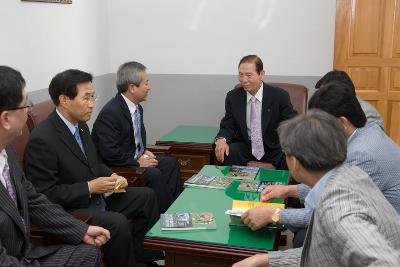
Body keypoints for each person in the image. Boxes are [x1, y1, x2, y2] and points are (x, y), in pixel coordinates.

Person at [23, 69, 160, 266]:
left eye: (93, 96)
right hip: (73, 209)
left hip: (96, 198)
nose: (92, 104)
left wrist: (112, 175)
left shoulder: (81, 125)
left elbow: (94, 163)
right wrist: (89, 187)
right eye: (86, 98)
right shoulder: (43, 139)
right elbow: (45, 194)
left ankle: (144, 259)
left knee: (146, 196)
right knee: (118, 223)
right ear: (64, 100)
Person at [242, 81, 400, 248]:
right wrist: (289, 190)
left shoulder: (360, 155)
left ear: (341, 123)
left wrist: (273, 214)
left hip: (382, 238)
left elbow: (325, 212)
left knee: (305, 238)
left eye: (320, 125)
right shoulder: (367, 130)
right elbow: (330, 187)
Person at [0, 66, 110, 266]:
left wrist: (81, 230)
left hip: (25, 251)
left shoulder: (7, 153)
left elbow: (33, 200)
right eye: (26, 105)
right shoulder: (43, 138)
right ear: (6, 119)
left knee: (90, 253)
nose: (30, 111)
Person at [91, 61, 182, 213]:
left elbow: (135, 137)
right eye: (146, 83)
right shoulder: (111, 112)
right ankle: (162, 218)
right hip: (115, 166)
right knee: (154, 174)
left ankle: (175, 210)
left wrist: (144, 151)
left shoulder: (136, 106)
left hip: (132, 157)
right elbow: (109, 153)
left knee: (170, 164)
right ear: (132, 88)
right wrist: (137, 162)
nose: (149, 87)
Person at [214, 55, 297, 169]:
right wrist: (221, 140)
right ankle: (233, 185)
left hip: (273, 146)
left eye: (249, 75)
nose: (244, 80)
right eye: (241, 75)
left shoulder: (279, 96)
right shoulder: (233, 97)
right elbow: (228, 124)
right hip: (247, 145)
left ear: (261, 74)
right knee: (230, 151)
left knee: (288, 155)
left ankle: (282, 187)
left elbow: (292, 124)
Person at [315, 69, 384, 128]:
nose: (322, 98)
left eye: (325, 93)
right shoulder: (336, 108)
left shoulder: (367, 113)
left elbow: (366, 140)